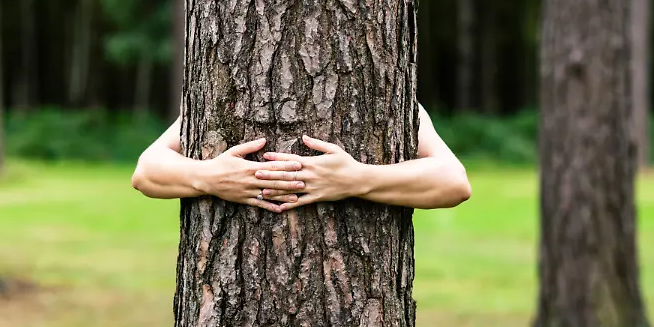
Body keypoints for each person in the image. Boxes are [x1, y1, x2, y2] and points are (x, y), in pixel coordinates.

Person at [131, 104, 471, 213]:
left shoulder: (392, 98)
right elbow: (146, 171)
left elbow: (452, 182)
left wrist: (357, 179)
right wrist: (208, 177)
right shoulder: (222, 93)